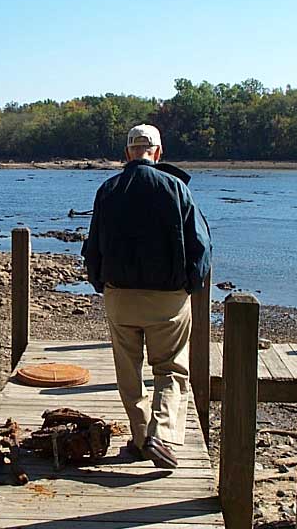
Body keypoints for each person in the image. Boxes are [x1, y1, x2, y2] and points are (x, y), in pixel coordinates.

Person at [81, 124, 211, 469]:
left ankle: (141, 440)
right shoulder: (177, 188)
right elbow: (200, 245)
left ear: (128, 153)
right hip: (168, 297)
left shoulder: (108, 190)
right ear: (158, 152)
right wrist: (191, 286)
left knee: (128, 371)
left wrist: (100, 284)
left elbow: (93, 245)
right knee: (170, 369)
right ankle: (162, 433)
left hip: (119, 296)